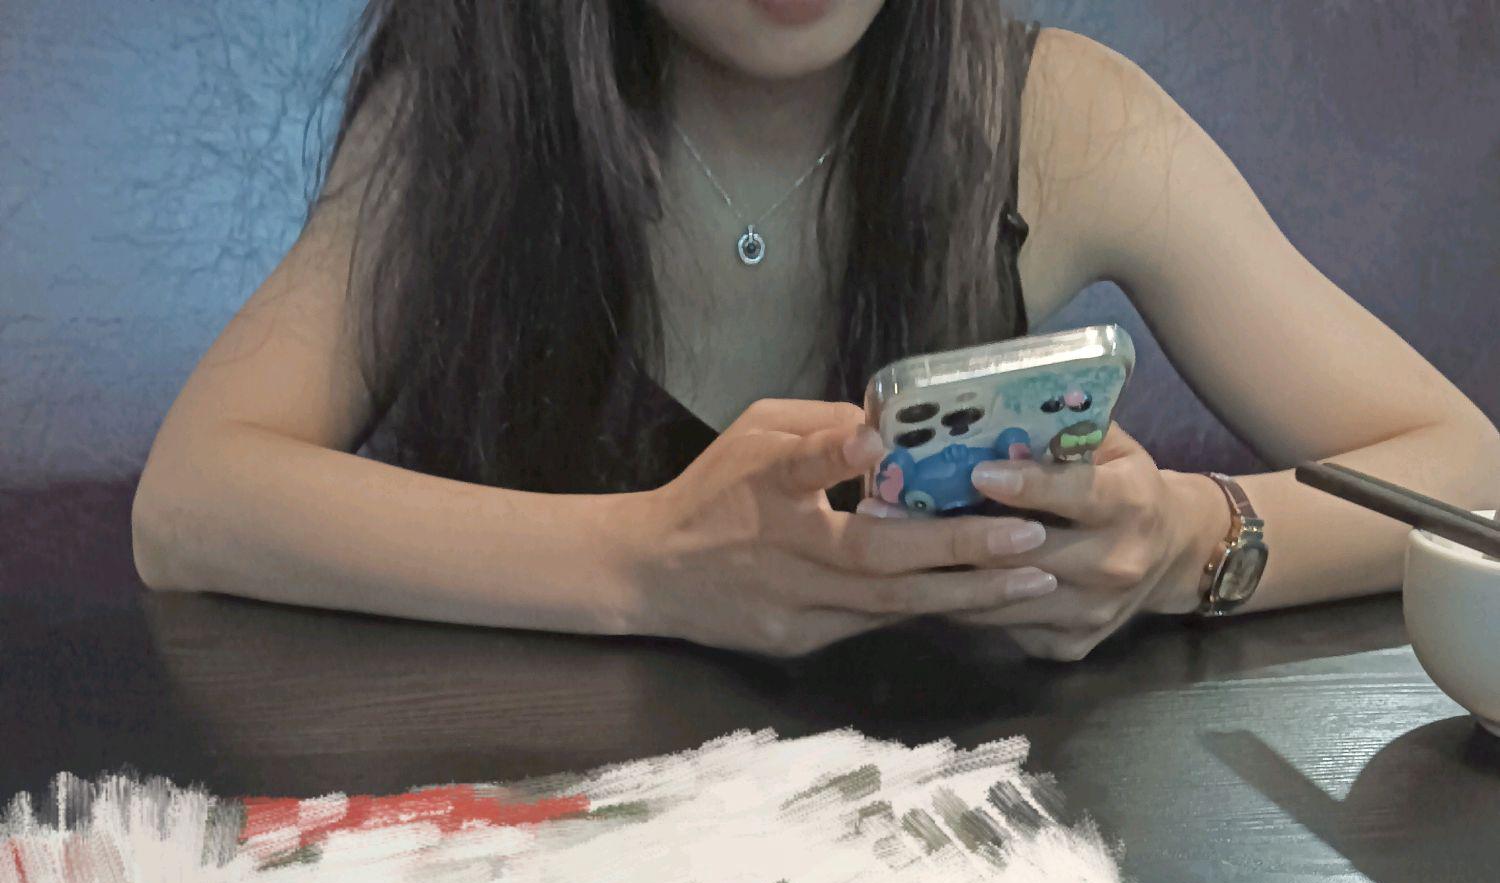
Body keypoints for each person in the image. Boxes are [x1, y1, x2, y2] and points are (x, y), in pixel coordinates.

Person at [131, 0, 1500, 662]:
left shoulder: (1060, 117)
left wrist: (1183, 545)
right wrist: (646, 567)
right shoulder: (469, 118)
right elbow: (194, 502)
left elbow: (1464, 464)